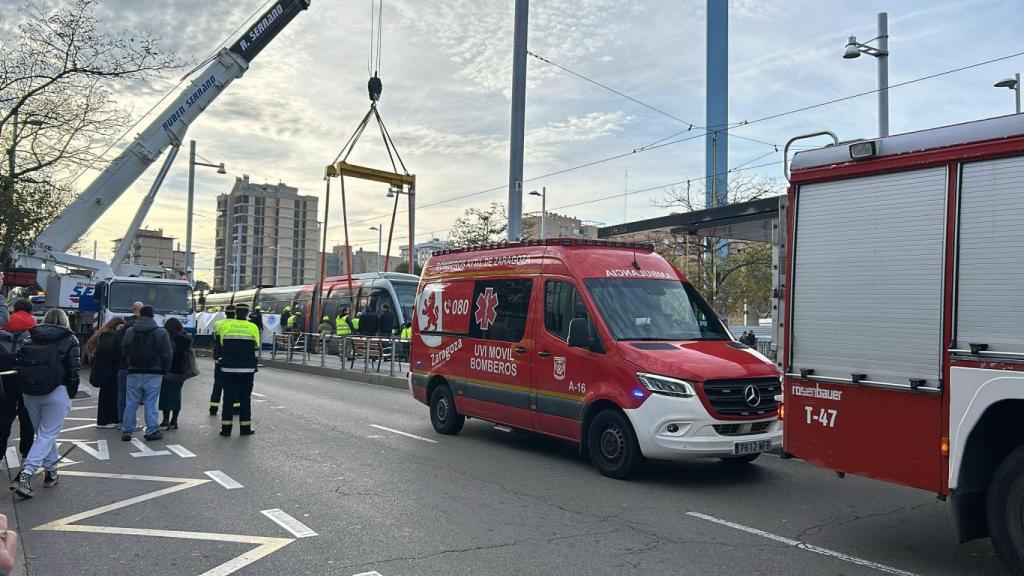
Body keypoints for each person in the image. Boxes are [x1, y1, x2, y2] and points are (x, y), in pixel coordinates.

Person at [11, 308, 79, 499]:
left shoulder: (30, 337)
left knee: (44, 433)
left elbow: (19, 363)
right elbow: (74, 369)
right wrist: (70, 392)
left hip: (30, 392)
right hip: (57, 390)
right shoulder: (69, 339)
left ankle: (51, 472)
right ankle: (25, 475)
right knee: (47, 434)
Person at [120, 305, 171, 442]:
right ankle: (152, 431)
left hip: (133, 371)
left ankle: (127, 430)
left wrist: (129, 361)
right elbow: (167, 354)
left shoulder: (130, 331)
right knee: (151, 402)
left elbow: (123, 349)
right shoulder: (161, 332)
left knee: (131, 402)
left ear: (140, 315)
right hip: (154, 372)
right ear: (153, 315)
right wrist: (164, 370)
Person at [217, 304, 260, 437]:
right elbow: (257, 346)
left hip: (228, 368)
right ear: (247, 313)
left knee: (228, 398)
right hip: (247, 370)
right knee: (245, 399)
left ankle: (226, 429)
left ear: (235, 313)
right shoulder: (253, 327)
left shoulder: (226, 326)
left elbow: (223, 344)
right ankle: (245, 429)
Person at [0, 299, 35, 458]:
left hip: (4, 378)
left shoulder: (4, 325)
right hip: (26, 378)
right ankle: (26, 453)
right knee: (26, 417)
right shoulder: (33, 328)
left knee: (4, 416)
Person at [85, 317, 125, 428]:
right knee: (109, 394)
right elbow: (107, 350)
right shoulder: (109, 335)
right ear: (115, 325)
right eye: (121, 326)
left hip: (106, 368)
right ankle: (105, 421)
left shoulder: (104, 333)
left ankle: (107, 420)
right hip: (109, 368)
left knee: (108, 394)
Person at [113, 301, 143, 424]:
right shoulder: (140, 329)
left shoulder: (122, 328)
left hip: (122, 365)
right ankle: (129, 423)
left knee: (122, 395)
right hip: (136, 367)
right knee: (134, 397)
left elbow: (117, 346)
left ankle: (122, 421)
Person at [159, 318, 191, 430]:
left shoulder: (166, 337)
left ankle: (165, 420)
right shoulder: (186, 338)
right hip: (180, 371)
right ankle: (174, 421)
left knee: (165, 395)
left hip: (168, 370)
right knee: (176, 395)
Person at [209, 305, 235, 416]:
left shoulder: (218, 324)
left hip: (219, 358)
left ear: (225, 313)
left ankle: (213, 408)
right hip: (232, 360)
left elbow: (214, 339)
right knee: (234, 385)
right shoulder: (236, 325)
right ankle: (236, 409)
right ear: (234, 314)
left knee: (218, 383)